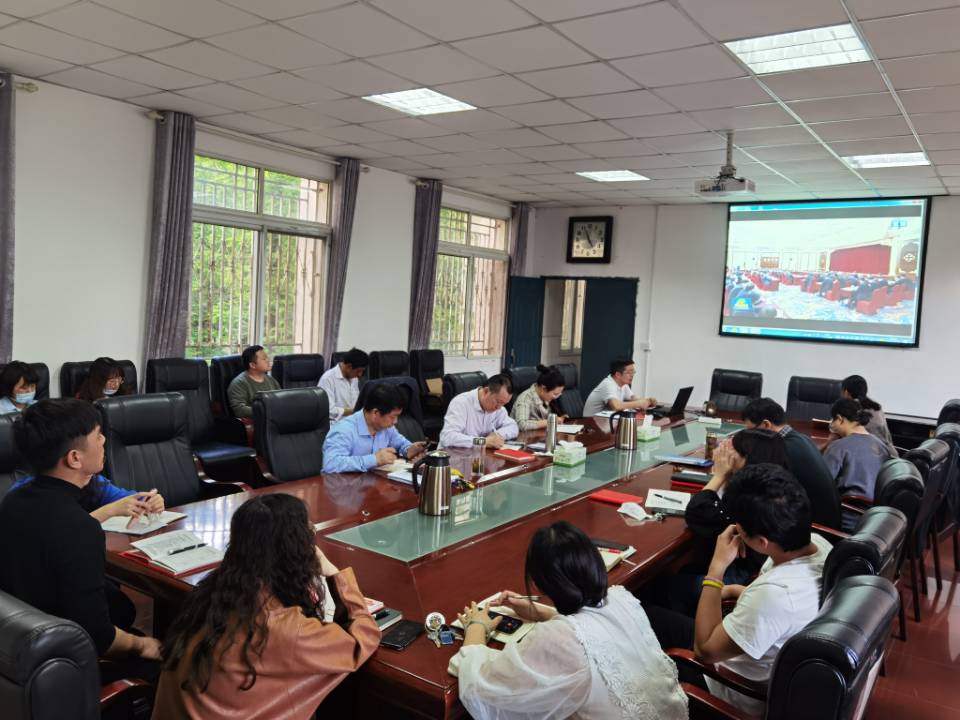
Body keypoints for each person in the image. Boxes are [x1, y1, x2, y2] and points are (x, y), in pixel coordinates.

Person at [153, 494, 380, 719]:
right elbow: (363, 639)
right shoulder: (284, 627)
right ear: (297, 551)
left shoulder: (214, 592)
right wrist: (333, 572)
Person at [452, 521, 688, 720]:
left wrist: (476, 627)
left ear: (536, 584)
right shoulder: (620, 598)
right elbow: (592, 633)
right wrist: (539, 611)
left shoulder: (557, 639)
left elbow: (484, 687)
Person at [648, 464, 831, 715]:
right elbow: (780, 616)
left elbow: (704, 651)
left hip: (726, 689)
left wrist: (717, 567)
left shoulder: (775, 595)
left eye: (739, 528)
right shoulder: (820, 546)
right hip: (743, 650)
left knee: (640, 640)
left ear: (762, 542)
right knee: (648, 613)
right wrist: (737, 591)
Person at [0, 400, 162, 672]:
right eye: (97, 435)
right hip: (59, 660)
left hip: (16, 640)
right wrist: (143, 645)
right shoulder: (78, 527)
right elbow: (99, 638)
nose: (104, 440)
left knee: (122, 608)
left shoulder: (12, 501)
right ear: (75, 458)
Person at [741, 398, 842, 529]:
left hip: (816, 530)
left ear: (766, 425)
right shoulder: (802, 438)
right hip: (828, 522)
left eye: (750, 432)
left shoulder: (781, 449)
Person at [322, 384, 428, 473]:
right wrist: (375, 459)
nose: (395, 422)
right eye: (393, 417)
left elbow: (400, 443)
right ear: (375, 413)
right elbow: (330, 464)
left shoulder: (386, 428)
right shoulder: (343, 430)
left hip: (373, 484)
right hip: (344, 488)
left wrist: (409, 449)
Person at [823, 398, 895, 526]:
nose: (831, 424)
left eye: (833, 419)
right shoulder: (881, 445)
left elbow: (821, 485)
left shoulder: (838, 447)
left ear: (840, 419)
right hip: (876, 520)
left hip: (847, 517)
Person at [440, 374, 519, 449]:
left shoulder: (499, 408)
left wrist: (497, 435)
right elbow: (447, 437)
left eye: (503, 404)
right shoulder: (460, 403)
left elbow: (513, 427)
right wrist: (483, 441)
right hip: (454, 455)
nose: (499, 407)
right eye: (498, 402)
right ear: (486, 391)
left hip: (478, 455)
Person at [841, 375, 897, 457]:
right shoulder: (876, 406)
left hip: (876, 457)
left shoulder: (851, 409)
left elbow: (840, 434)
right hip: (891, 455)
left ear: (846, 392)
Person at [582, 358, 655, 416]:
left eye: (633, 372)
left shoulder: (624, 384)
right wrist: (639, 403)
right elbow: (616, 406)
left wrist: (649, 401)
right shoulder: (608, 384)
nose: (632, 375)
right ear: (618, 375)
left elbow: (634, 399)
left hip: (605, 421)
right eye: (629, 372)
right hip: (591, 423)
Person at [227, 345, 280, 419]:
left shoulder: (271, 380)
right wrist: (266, 411)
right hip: (256, 422)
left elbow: (280, 400)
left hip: (275, 419)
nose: (268, 361)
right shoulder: (239, 383)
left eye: (267, 357)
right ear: (252, 365)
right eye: (264, 359)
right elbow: (239, 410)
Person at [509, 364, 566, 430]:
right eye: (555, 394)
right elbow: (522, 424)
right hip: (523, 435)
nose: (557, 397)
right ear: (543, 388)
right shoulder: (525, 398)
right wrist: (550, 421)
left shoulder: (546, 398)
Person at [318, 348, 368, 423]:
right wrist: (353, 411)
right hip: (336, 423)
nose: (360, 375)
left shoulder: (354, 378)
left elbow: (355, 402)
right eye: (358, 371)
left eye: (362, 371)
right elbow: (328, 411)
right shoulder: (327, 379)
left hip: (353, 420)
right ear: (349, 366)